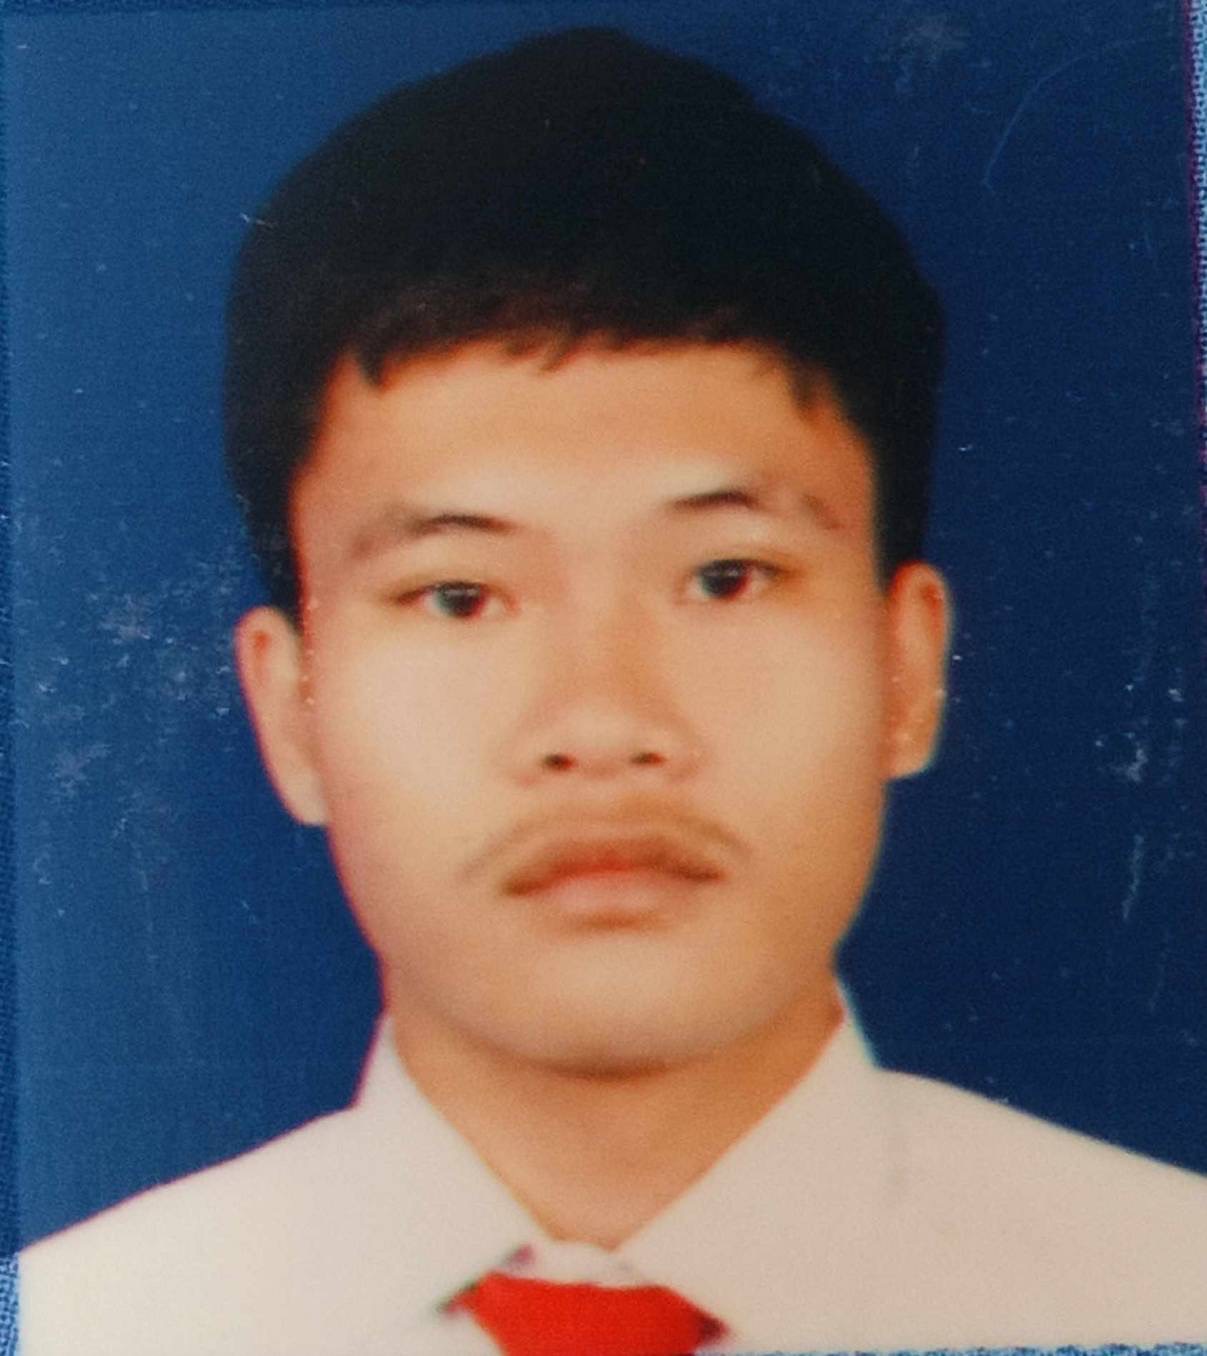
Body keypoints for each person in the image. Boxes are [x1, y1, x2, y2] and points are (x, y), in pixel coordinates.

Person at [19, 25, 1207, 1356]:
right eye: (460, 596)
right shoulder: (82, 1325)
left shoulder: (1171, 1295)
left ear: (907, 668)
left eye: (725, 578)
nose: (600, 723)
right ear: (290, 710)